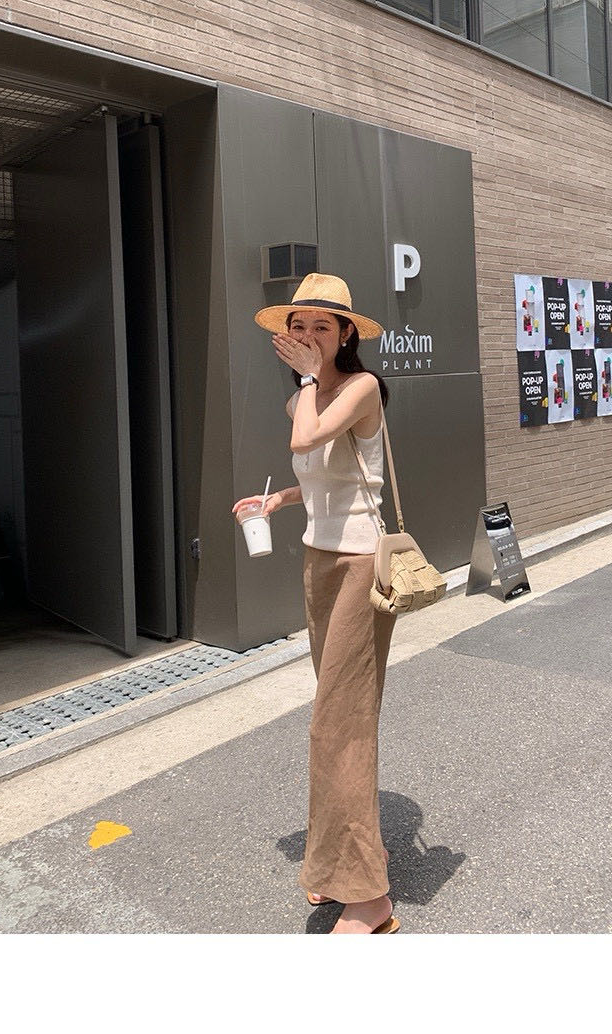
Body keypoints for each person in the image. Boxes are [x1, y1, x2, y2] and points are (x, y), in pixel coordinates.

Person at [232, 273, 400, 934]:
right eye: (297, 325)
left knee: (340, 723)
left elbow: (307, 442)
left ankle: (369, 899)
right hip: (318, 562)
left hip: (360, 566)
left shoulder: (359, 388)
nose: (306, 335)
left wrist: (306, 381)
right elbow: (325, 474)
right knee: (338, 716)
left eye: (321, 326)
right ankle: (345, 862)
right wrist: (276, 500)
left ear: (346, 334)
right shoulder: (305, 398)